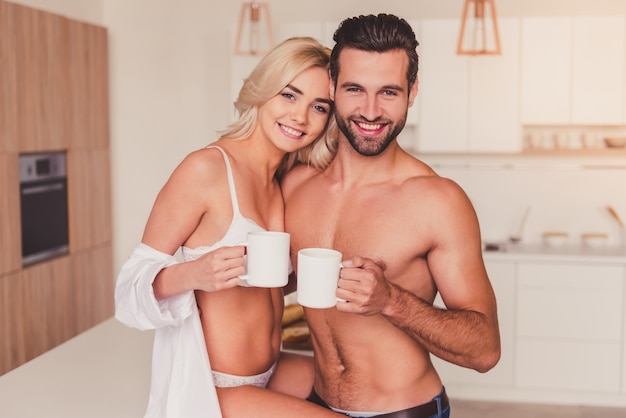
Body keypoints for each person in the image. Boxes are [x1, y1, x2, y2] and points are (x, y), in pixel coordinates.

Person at [282, 14, 501, 418]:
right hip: (319, 404)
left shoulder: (438, 201)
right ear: (332, 87)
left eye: (388, 92)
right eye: (354, 89)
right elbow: (281, 285)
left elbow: (485, 350)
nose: (370, 110)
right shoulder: (296, 186)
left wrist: (391, 300)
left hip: (404, 410)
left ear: (412, 92)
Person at [115, 36, 343, 418]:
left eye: (318, 106)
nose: (301, 116)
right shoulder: (206, 169)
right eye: (289, 95)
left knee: (360, 383)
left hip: (271, 370)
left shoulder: (284, 179)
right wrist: (194, 273)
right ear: (263, 91)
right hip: (217, 386)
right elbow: (126, 290)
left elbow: (264, 285)